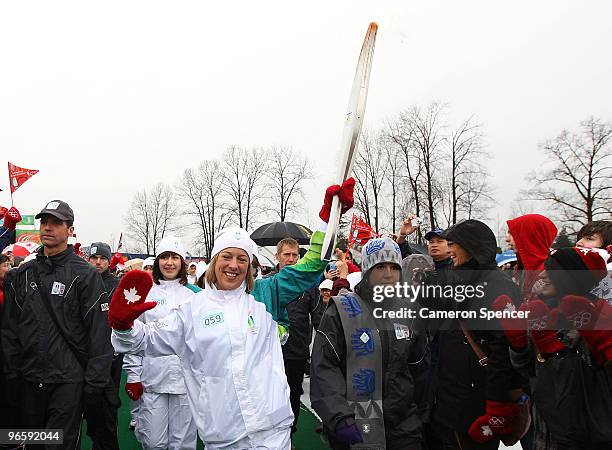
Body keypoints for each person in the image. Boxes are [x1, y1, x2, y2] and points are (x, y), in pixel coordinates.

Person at [109, 179, 355, 449]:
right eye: (227, 257)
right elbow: (143, 340)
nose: (233, 266)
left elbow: (311, 266)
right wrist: (123, 325)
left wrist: (327, 219)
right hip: (223, 435)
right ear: (215, 261)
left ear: (250, 266)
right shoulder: (192, 309)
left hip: (273, 431)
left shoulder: (265, 294)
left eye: (242, 259)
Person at [1, 199, 113, 449]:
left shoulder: (85, 275)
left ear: (70, 230)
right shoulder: (23, 274)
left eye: (56, 223)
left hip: (67, 382)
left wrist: (95, 383)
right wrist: (12, 372)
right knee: (28, 444)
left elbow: (99, 332)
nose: (47, 228)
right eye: (44, 222)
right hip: (29, 380)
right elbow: (10, 330)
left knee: (57, 444)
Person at [311, 236, 430, 450]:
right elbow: (324, 368)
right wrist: (340, 418)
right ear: (367, 270)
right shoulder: (342, 310)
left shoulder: (410, 312)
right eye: (380, 266)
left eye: (394, 267)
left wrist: (419, 417)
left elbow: (420, 371)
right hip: (354, 427)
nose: (388, 274)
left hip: (403, 429)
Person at [422, 220, 526, 449]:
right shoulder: (466, 279)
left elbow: (502, 352)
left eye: (452, 244)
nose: (449, 251)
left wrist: (496, 405)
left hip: (473, 409)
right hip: (450, 403)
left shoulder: (497, 287)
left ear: (472, 247)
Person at [498, 247, 612, 449]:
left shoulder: (598, 317)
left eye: (552, 270)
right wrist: (518, 344)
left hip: (586, 435)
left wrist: (604, 347)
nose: (542, 274)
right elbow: (529, 374)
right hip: (545, 431)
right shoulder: (542, 312)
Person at [122, 236, 200, 450]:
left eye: (174, 257)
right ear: (157, 262)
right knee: (154, 441)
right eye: (164, 257)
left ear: (182, 262)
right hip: (153, 379)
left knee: (182, 444)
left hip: (185, 382)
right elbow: (134, 339)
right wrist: (133, 376)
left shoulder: (193, 297)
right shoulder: (145, 295)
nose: (169, 263)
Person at [87, 242, 122, 450]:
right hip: (85, 355)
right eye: (94, 258)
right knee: (89, 409)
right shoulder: (82, 280)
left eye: (103, 258)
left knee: (108, 409)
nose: (98, 262)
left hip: (111, 356)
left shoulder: (117, 285)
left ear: (109, 261)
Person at [506, 214, 558, 300]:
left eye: (512, 234)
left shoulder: (551, 273)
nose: (507, 239)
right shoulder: (521, 270)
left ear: (529, 236)